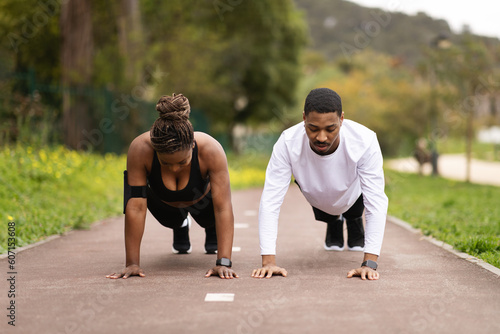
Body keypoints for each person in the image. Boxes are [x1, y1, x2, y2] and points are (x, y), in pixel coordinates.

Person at [251, 88, 388, 280]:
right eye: (313, 128)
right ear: (304, 119)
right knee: (328, 213)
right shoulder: (287, 143)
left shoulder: (364, 141)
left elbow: (376, 201)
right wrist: (268, 262)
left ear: (341, 119)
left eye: (330, 129)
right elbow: (270, 201)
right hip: (316, 192)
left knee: (354, 211)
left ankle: (353, 220)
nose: (321, 137)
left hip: (352, 193)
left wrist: (370, 264)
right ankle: (334, 221)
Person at [107, 93, 238, 279]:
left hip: (204, 206)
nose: (175, 168)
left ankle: (210, 230)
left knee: (211, 223)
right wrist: (132, 263)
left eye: (183, 162)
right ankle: (181, 224)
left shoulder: (211, 149)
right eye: (166, 163)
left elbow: (223, 207)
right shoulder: (140, 149)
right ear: (155, 148)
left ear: (192, 144)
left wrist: (223, 262)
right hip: (166, 207)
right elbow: (136, 206)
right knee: (173, 220)